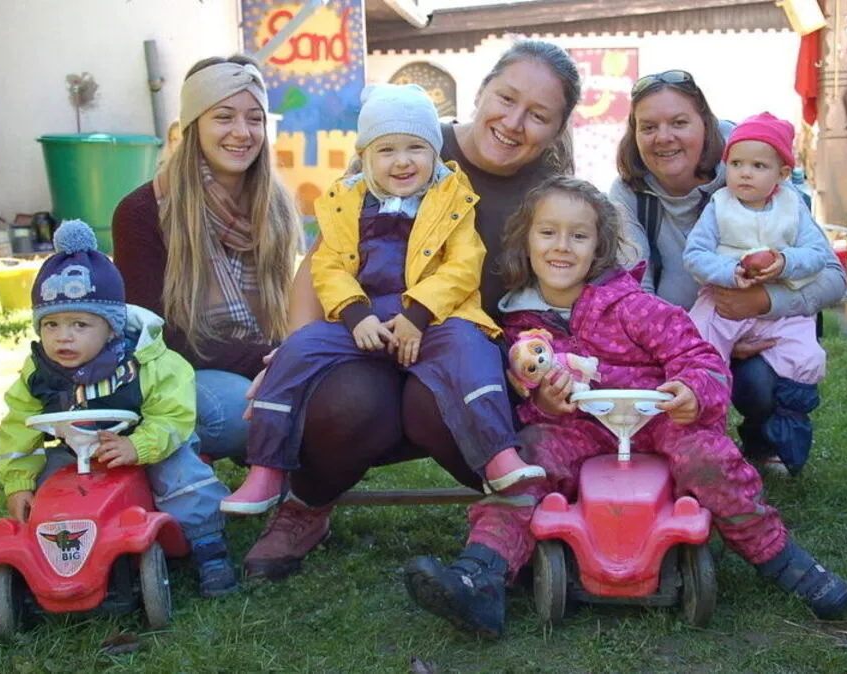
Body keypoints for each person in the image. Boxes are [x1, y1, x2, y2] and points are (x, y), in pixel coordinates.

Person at [403, 176, 847, 639]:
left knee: (708, 460)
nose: (562, 247)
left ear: (598, 247)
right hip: (576, 428)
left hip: (659, 419)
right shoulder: (518, 322)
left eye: (578, 236)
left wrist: (691, 391)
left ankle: (777, 556)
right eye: (548, 233)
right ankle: (480, 575)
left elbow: (698, 357)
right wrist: (545, 402)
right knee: (527, 462)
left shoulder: (630, 305)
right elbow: (524, 390)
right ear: (525, 241)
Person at [242, 40, 582, 581]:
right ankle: (306, 504)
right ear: (482, 90)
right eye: (506, 97)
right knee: (345, 402)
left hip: (461, 345)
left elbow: (579, 288)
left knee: (438, 401)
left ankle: (513, 517)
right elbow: (327, 254)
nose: (514, 122)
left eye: (538, 115)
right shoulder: (410, 136)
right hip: (365, 333)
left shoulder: (554, 194)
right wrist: (296, 352)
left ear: (559, 126)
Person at [223, 84, 542, 514]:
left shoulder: (452, 197)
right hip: (363, 320)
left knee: (474, 348)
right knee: (295, 350)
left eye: (416, 147)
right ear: (367, 155)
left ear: (433, 151)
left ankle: (499, 453)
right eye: (387, 149)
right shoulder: (344, 201)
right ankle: (266, 470)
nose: (403, 161)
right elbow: (329, 265)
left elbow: (465, 263)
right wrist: (355, 316)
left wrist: (419, 314)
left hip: (434, 320)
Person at [607, 70, 847, 475]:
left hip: (764, 327)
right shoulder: (627, 193)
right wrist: (681, 344)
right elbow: (637, 288)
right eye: (648, 127)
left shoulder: (756, 166)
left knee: (757, 382)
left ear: (705, 121)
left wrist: (764, 302)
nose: (663, 137)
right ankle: (683, 436)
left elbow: (833, 277)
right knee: (655, 370)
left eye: (679, 122)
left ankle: (763, 436)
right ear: (635, 134)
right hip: (680, 333)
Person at [0, 220, 238, 597]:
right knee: (50, 494)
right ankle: (58, 560)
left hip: (147, 444)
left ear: (111, 328)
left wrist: (138, 446)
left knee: (180, 476)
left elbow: (173, 417)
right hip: (75, 450)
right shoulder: (39, 372)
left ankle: (209, 546)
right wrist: (18, 482)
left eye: (80, 324)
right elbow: (17, 428)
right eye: (52, 325)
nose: (64, 336)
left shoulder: (147, 361)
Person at [112, 55, 301, 465]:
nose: (241, 132)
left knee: (314, 399)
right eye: (223, 117)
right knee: (243, 415)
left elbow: (291, 311)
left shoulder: (277, 207)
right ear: (193, 124)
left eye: (254, 119)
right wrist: (271, 363)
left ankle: (300, 497)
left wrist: (288, 361)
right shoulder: (144, 211)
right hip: (176, 370)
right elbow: (154, 337)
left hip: (263, 361)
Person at [682, 112, 831, 474]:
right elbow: (695, 254)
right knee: (697, 351)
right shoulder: (719, 207)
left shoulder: (794, 208)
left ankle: (781, 436)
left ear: (782, 174)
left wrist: (783, 261)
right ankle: (699, 432)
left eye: (758, 165)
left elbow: (819, 256)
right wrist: (729, 272)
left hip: (780, 307)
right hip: (723, 301)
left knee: (804, 357)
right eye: (736, 164)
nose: (744, 173)